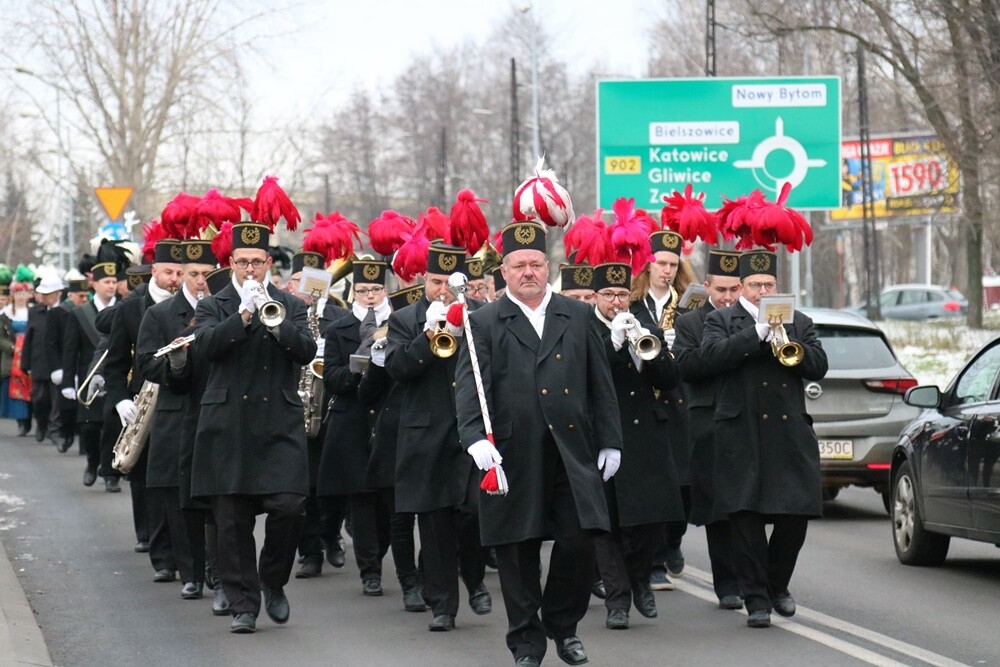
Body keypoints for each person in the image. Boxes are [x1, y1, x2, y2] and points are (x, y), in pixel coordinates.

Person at [455, 220, 623, 667]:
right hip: (513, 452)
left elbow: (600, 384)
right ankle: (527, 643)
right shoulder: (484, 322)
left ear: (548, 267)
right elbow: (470, 385)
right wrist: (474, 438)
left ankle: (562, 626)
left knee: (581, 539)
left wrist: (611, 441)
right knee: (516, 549)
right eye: (518, 265)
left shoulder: (578, 314)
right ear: (504, 272)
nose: (528, 272)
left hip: (572, 451)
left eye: (536, 263)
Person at [192, 221, 316, 634]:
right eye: (241, 262)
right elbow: (207, 348)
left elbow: (306, 350)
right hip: (227, 424)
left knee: (290, 506)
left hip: (277, 422)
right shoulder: (214, 303)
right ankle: (244, 604)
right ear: (230, 262)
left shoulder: (290, 304)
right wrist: (244, 315)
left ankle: (273, 580)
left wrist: (275, 321)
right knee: (231, 518)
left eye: (256, 263)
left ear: (267, 263)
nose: (249, 270)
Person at [699, 249, 828, 629]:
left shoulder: (798, 320)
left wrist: (793, 344)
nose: (762, 291)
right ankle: (756, 599)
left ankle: (777, 585)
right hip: (740, 432)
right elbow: (709, 358)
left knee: (796, 514)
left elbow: (819, 365)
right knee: (745, 516)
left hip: (788, 434)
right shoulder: (721, 320)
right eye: (755, 285)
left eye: (768, 284)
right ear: (741, 287)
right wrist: (753, 335)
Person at [385, 242, 492, 632]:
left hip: (471, 429)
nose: (442, 290)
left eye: (450, 282)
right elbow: (397, 369)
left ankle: (476, 576)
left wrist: (465, 327)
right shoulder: (405, 319)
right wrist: (430, 335)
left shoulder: (480, 314)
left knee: (472, 512)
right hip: (426, 431)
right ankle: (442, 605)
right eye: (435, 282)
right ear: (422, 280)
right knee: (434, 521)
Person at [589, 260, 684, 630]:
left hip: (647, 436)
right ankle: (617, 600)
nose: (617, 302)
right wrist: (611, 344)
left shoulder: (644, 325)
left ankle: (640, 577)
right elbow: (585, 377)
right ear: (595, 297)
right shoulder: (586, 330)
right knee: (609, 525)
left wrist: (656, 347)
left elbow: (672, 380)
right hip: (606, 436)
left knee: (651, 520)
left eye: (622, 294)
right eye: (609, 295)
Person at [135, 238, 218, 601]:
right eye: (194, 273)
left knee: (215, 497)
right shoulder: (160, 314)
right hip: (175, 414)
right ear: (181, 273)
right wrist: (176, 363)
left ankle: (215, 568)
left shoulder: (224, 310)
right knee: (176, 497)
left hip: (215, 411)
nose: (200, 281)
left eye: (207, 273)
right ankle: (191, 573)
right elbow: (145, 364)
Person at [102, 234, 183, 574]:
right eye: (168, 273)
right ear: (154, 271)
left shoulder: (194, 304)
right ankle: (161, 555)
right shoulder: (130, 308)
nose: (175, 280)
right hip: (143, 400)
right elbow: (116, 362)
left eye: (180, 273)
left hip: (181, 397)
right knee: (148, 478)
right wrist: (120, 399)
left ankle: (186, 554)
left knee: (177, 479)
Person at [672, 249, 745, 610]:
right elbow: (688, 367)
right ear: (707, 286)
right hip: (709, 423)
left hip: (745, 420)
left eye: (735, 290)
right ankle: (727, 583)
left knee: (746, 506)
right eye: (722, 290)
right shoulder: (690, 324)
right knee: (718, 509)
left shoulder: (752, 319)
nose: (728, 298)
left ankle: (753, 578)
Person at [318, 259, 395, 595]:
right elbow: (331, 378)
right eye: (362, 290)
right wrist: (358, 368)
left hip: (389, 420)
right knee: (362, 498)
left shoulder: (400, 324)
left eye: (376, 290)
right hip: (352, 420)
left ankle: (379, 552)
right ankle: (370, 570)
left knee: (389, 503)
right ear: (353, 293)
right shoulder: (339, 329)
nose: (369, 297)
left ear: (386, 291)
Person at [358, 282, 426, 612]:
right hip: (395, 434)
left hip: (430, 431)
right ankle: (408, 582)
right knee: (400, 517)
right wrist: (377, 360)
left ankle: (427, 575)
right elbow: (367, 393)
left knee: (437, 515)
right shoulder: (391, 340)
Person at [629, 230, 691, 589]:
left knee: (683, 483)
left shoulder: (687, 305)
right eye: (661, 263)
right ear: (648, 265)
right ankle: (653, 561)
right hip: (645, 402)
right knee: (654, 484)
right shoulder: (634, 305)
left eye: (672, 264)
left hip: (678, 399)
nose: (666, 270)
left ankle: (674, 541)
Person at [283, 249, 348, 578]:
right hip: (295, 406)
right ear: (290, 285)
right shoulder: (282, 312)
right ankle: (309, 551)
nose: (307, 287)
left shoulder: (337, 315)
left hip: (331, 407)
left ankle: (331, 534)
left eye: (314, 281)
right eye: (299, 281)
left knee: (331, 481)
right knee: (302, 485)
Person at [60, 261, 117, 489]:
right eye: (106, 282)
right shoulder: (79, 313)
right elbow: (70, 350)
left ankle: (110, 473)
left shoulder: (124, 308)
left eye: (114, 282)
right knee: (90, 429)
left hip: (114, 377)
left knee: (112, 428)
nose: (111, 286)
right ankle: (93, 463)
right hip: (88, 378)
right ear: (95, 284)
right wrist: (67, 381)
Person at [46, 275, 90, 453]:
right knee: (67, 407)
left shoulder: (89, 313)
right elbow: (51, 343)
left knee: (86, 408)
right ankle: (66, 435)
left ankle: (84, 444)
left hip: (84, 364)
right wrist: (57, 368)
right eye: (81, 296)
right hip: (66, 365)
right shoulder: (57, 313)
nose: (84, 300)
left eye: (87, 296)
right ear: (71, 296)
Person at [21, 272, 65, 443]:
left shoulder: (65, 311)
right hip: (38, 362)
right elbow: (28, 339)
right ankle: (41, 424)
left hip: (57, 363)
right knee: (39, 399)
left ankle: (54, 430)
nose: (43, 298)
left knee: (56, 400)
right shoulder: (35, 312)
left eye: (47, 295)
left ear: (57, 294)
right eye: (42, 294)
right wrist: (26, 364)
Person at [1, 267, 36, 436]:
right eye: (18, 293)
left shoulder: (33, 312)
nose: (21, 297)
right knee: (17, 387)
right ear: (13, 295)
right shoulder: (6, 314)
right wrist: (12, 347)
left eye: (24, 293)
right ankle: (21, 420)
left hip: (30, 353)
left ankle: (30, 417)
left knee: (31, 386)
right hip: (13, 356)